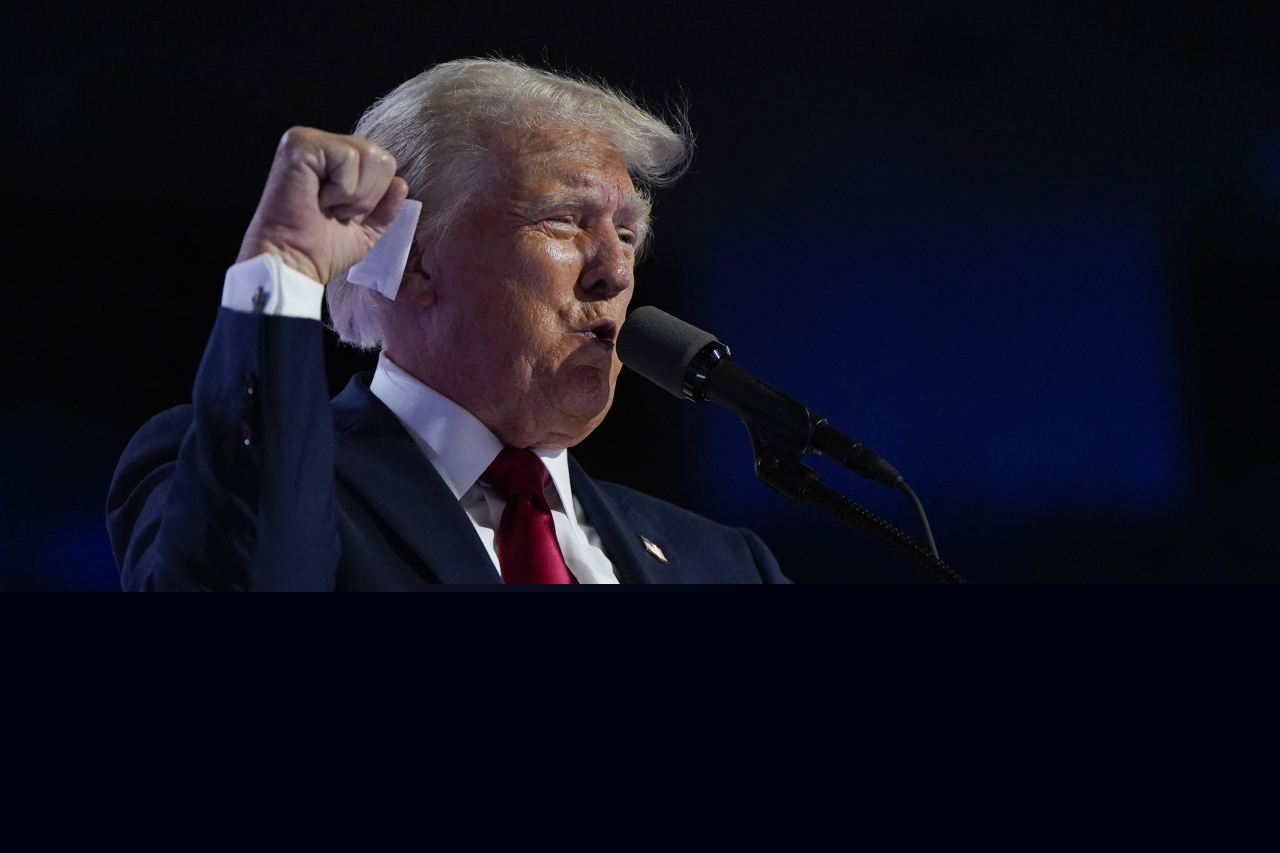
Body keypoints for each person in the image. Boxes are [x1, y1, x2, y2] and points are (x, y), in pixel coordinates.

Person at [106, 59, 788, 588]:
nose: (614, 270)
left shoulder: (725, 562)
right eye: (563, 220)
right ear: (412, 263)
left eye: (629, 233)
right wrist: (283, 267)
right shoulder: (240, 473)